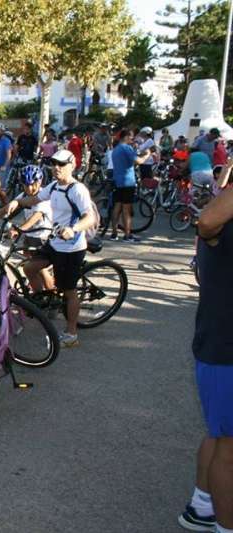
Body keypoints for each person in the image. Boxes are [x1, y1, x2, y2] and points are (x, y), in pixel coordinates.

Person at [176, 186, 233, 533]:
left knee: (221, 435)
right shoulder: (218, 219)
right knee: (230, 450)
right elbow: (207, 221)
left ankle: (202, 505)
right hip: (225, 348)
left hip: (219, 344)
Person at [2, 150, 94, 348]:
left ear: (72, 165)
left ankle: (71, 334)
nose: (56, 168)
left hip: (71, 248)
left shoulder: (78, 190)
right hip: (54, 243)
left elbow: (90, 217)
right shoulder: (53, 186)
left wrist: (73, 229)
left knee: (68, 291)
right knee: (29, 268)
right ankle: (43, 304)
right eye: (54, 164)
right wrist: (16, 201)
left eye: (61, 164)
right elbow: (34, 200)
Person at [0, 165, 53, 253]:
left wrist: (17, 230)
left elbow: (34, 218)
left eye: (32, 184)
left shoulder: (43, 196)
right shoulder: (24, 195)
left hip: (42, 236)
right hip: (29, 233)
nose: (29, 188)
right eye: (26, 185)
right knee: (25, 257)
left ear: (39, 182)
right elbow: (7, 208)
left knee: (35, 260)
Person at [110, 129, 150, 242]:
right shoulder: (126, 148)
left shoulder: (116, 149)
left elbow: (130, 158)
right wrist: (147, 155)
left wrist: (140, 154)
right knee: (126, 209)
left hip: (118, 180)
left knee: (117, 207)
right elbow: (139, 161)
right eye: (131, 137)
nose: (132, 140)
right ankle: (127, 235)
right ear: (126, 136)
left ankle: (114, 234)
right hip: (128, 181)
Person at [0, 125, 14, 190]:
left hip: (3, 168)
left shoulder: (6, 141)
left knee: (2, 187)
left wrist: (5, 166)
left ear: (2, 131)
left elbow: (9, 154)